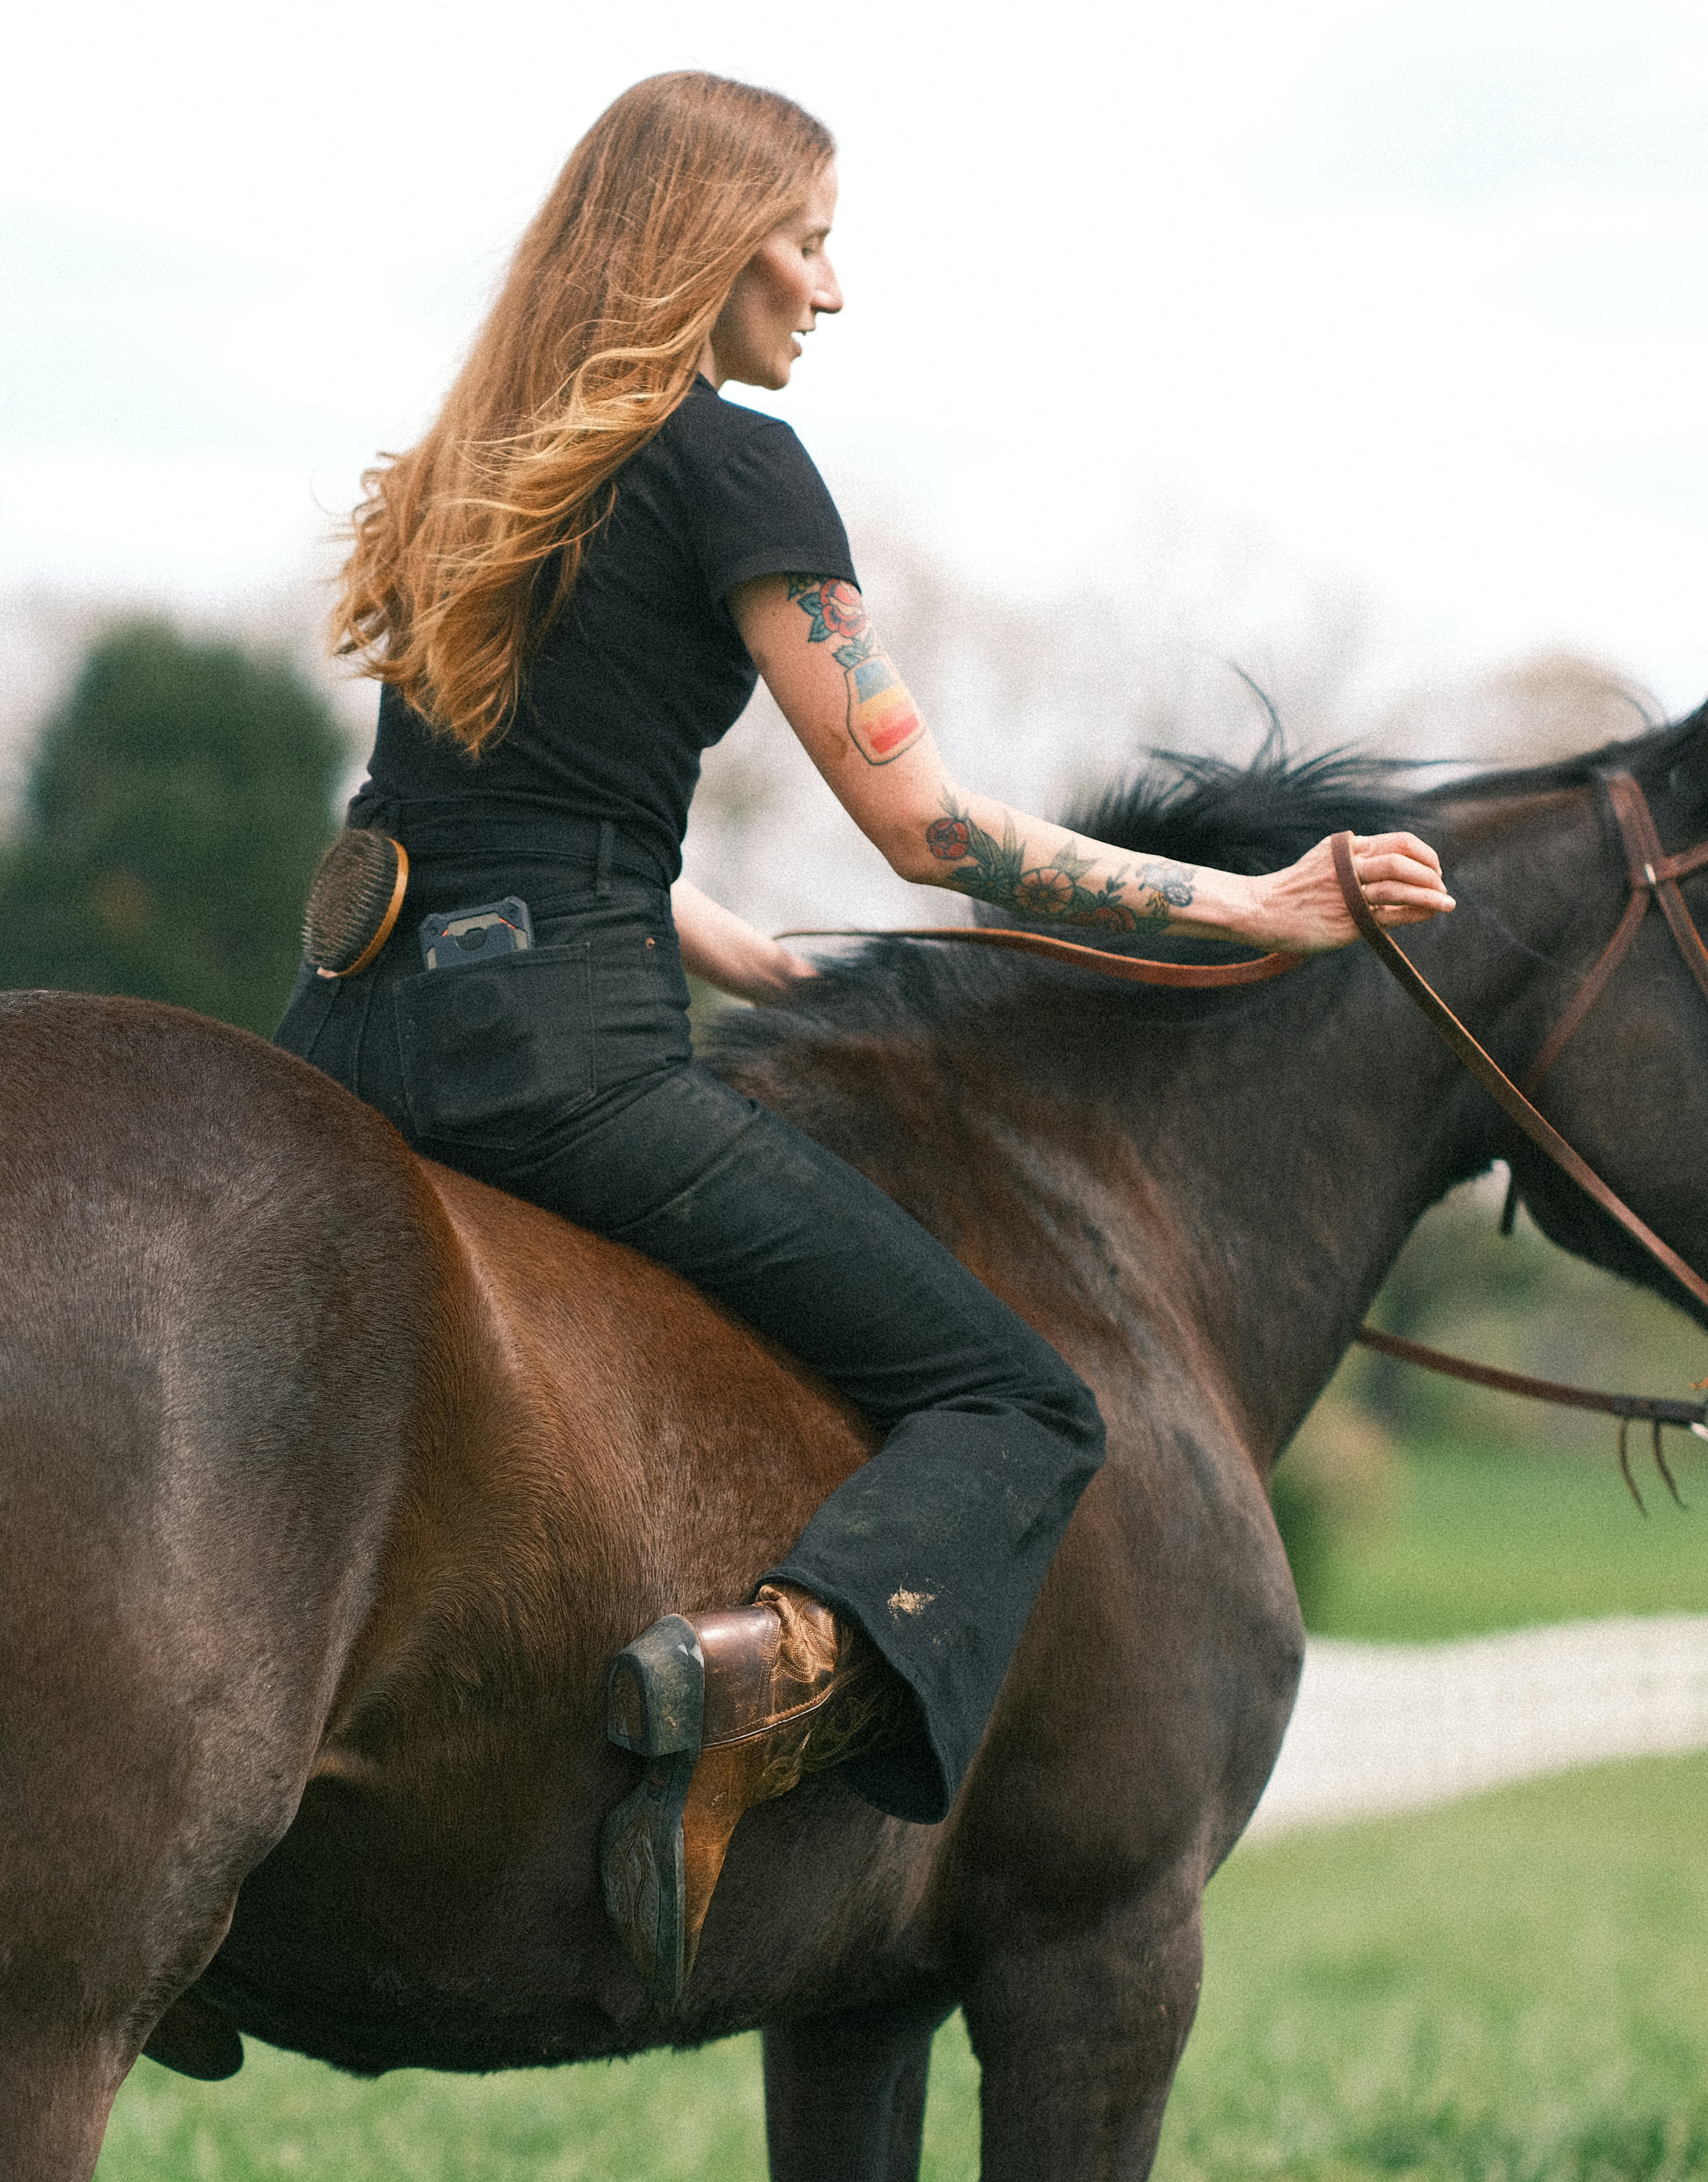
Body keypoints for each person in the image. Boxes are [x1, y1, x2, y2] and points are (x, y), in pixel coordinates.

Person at [277, 71, 1452, 1999]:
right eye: (808, 243)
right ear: (707, 243)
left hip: (344, 1038)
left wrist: (701, 927)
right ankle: (761, 1679)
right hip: (559, 1072)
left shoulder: (469, 472)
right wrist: (1256, 909)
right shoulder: (735, 468)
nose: (831, 291)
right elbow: (926, 827)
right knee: (1020, 1402)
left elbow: (477, 797)